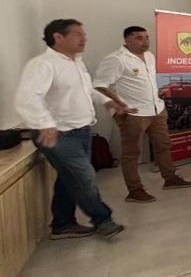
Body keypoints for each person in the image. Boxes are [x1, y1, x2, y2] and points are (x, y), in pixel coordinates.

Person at [15, 19, 127, 238]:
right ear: (58, 37)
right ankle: (103, 220)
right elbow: (27, 98)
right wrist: (45, 123)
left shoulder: (76, 63)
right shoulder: (43, 64)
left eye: (83, 34)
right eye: (78, 34)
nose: (84, 38)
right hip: (57, 134)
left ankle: (62, 224)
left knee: (69, 178)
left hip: (81, 130)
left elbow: (87, 91)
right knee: (85, 176)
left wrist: (107, 101)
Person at [93, 26, 191, 203]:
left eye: (147, 37)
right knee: (132, 153)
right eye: (139, 38)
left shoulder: (149, 56)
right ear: (127, 40)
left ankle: (170, 178)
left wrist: (157, 95)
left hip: (156, 110)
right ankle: (134, 190)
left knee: (163, 146)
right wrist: (118, 103)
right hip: (133, 114)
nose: (145, 41)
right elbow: (100, 85)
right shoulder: (116, 59)